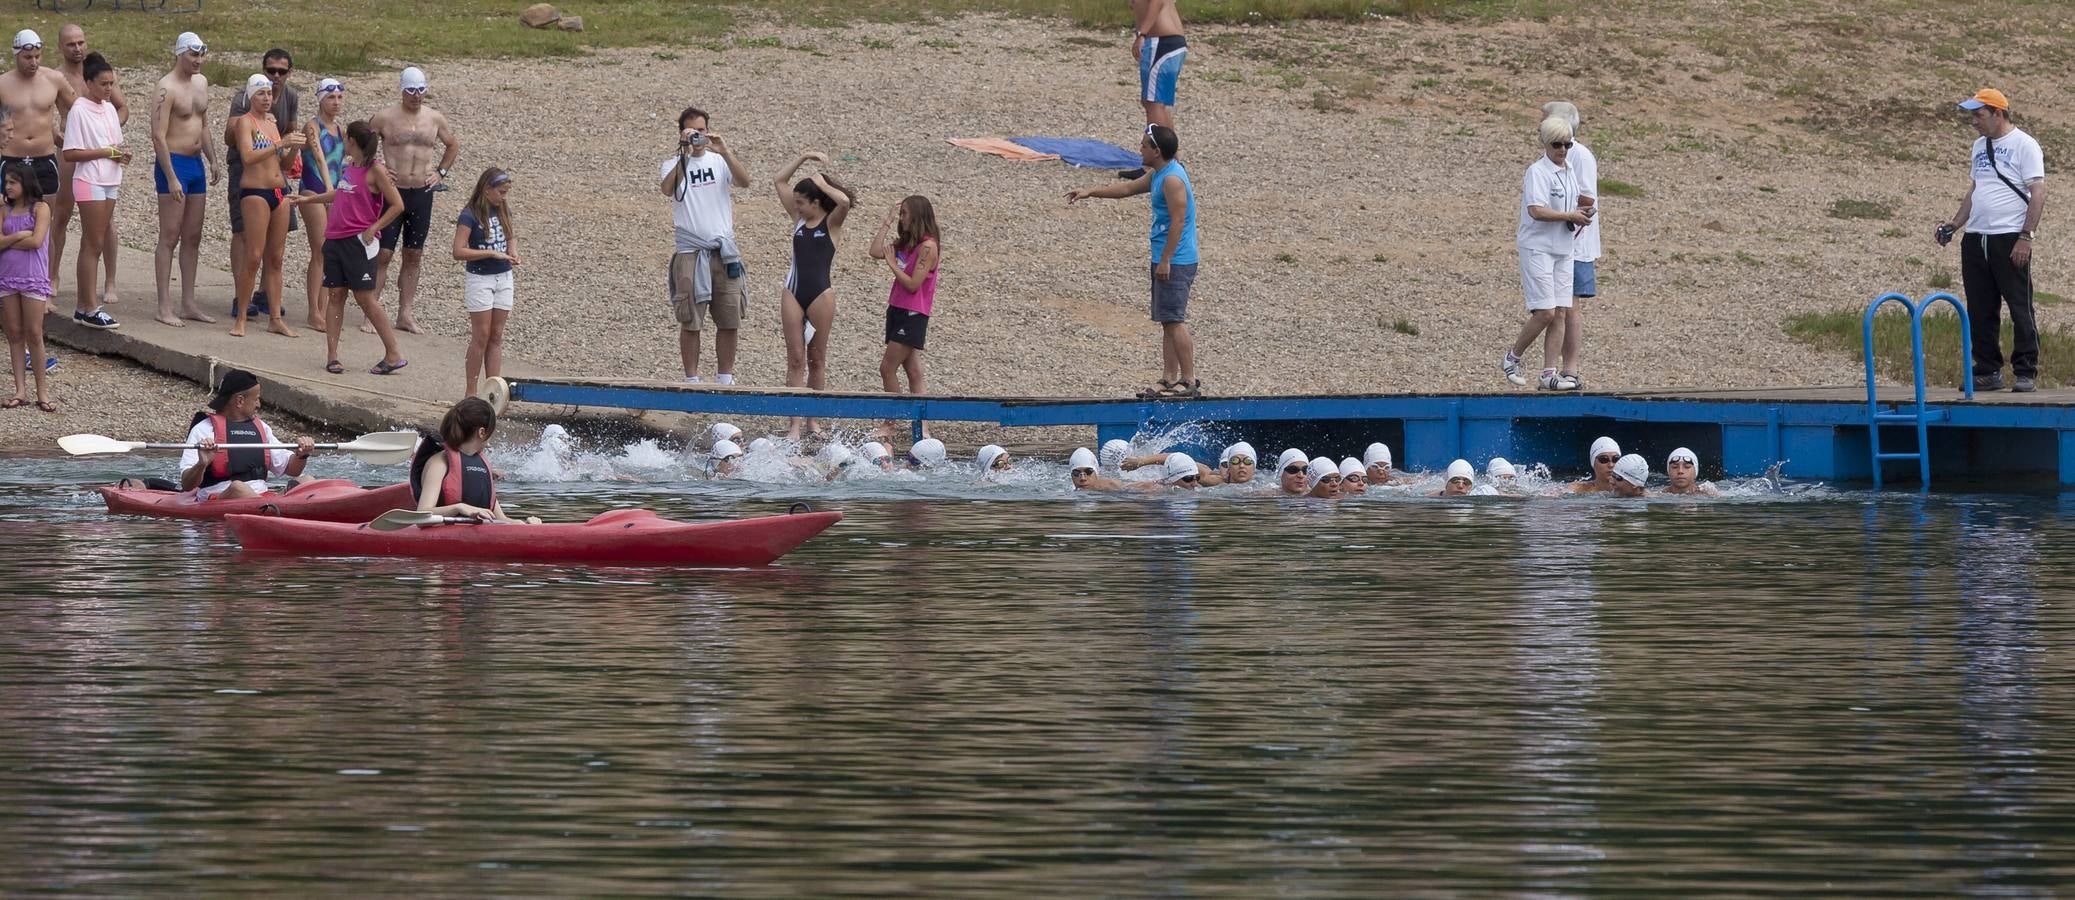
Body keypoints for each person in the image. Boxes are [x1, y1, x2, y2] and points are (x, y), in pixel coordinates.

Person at [1067, 124, 1200, 399]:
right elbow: (1127, 189)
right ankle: (1168, 378)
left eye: (1143, 146)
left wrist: (1166, 260)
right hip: (1165, 257)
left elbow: (1179, 221)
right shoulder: (1158, 174)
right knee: (1167, 320)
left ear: (1157, 151)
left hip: (1176, 259)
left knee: (1175, 320)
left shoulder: (1172, 179)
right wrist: (1090, 192)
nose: (1139, 149)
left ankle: (1189, 382)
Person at [1942, 89, 2046, 393]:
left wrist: (2025, 237)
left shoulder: (2024, 145)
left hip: (2009, 237)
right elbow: (1976, 190)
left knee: (2019, 305)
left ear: (1998, 113)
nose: (1974, 121)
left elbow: (2037, 193)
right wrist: (1955, 224)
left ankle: (2026, 370)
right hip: (1976, 237)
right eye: (1972, 115)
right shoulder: (1979, 146)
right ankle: (1987, 370)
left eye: (1979, 115)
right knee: (1980, 306)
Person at [291, 119, 409, 375]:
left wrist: (372, 227)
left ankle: (393, 352)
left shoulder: (375, 170)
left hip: (358, 242)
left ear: (352, 141)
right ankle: (333, 356)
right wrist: (308, 199)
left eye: (345, 139)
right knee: (336, 295)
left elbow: (398, 205)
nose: (342, 142)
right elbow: (341, 194)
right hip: (335, 238)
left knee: (366, 298)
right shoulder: (350, 166)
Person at [661, 106, 752, 385]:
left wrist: (723, 149)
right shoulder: (673, 164)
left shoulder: (719, 161)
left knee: (729, 317)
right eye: (692, 131)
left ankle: (725, 378)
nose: (698, 136)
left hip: (724, 251)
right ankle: (692, 380)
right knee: (690, 318)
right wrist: (685, 154)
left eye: (701, 130)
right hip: (690, 252)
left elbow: (745, 181)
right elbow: (667, 189)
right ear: (681, 133)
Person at [1502, 116, 1591, 392]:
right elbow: (1536, 210)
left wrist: (1582, 214)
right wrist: (1569, 215)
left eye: (1567, 144)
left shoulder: (1569, 171)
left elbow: (1573, 203)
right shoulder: (1537, 171)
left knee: (1562, 311)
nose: (1562, 150)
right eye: (1557, 145)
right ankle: (1512, 357)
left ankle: (1549, 373)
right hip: (1538, 248)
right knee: (1545, 312)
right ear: (1545, 144)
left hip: (1563, 248)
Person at [370, 66, 458, 334]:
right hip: (393, 191)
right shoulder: (384, 118)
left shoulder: (434, 119)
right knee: (383, 253)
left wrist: (440, 172)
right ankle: (371, 309)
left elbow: (452, 145)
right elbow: (364, 148)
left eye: (420, 91)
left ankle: (405, 314)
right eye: (411, 90)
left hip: (421, 191)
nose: (416, 96)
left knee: (413, 254)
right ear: (402, 89)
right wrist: (380, 168)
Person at [0, 32, 81, 321]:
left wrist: (69, 132)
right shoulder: (3, 84)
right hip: (12, 160)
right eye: (27, 57)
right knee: (7, 224)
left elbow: (79, 108)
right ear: (16, 54)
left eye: (37, 56)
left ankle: (42, 287)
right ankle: (7, 286)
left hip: (45, 160)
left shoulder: (54, 80)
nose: (33, 62)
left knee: (45, 224)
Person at [773, 150, 852, 441]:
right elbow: (779, 179)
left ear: (816, 202)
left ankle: (813, 422)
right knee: (795, 359)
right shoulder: (797, 219)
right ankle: (794, 424)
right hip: (793, 292)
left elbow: (843, 201)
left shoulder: (831, 223)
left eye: (802, 203)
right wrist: (804, 157)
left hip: (821, 294)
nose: (797, 207)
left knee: (817, 358)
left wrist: (821, 180)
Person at [148, 32, 218, 328]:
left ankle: (188, 302)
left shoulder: (201, 83)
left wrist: (212, 158)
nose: (198, 61)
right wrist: (171, 176)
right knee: (170, 235)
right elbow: (157, 136)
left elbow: (202, 125)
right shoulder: (166, 88)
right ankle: (164, 305)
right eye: (193, 56)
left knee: (193, 235)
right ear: (180, 55)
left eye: (201, 55)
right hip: (173, 162)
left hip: (195, 164)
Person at [227, 73, 305, 338]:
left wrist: (293, 148)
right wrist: (281, 144)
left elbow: (283, 165)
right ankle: (241, 317)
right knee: (254, 255)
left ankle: (274, 318)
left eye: (270, 94)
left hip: (278, 191)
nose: (267, 98)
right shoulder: (244, 123)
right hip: (255, 192)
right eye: (261, 93)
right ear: (250, 96)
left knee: (276, 258)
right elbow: (247, 157)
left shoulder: (272, 124)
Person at [52, 25, 125, 305]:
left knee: (107, 223)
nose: (77, 48)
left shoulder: (99, 74)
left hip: (102, 152)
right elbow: (44, 110)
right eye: (71, 44)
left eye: (81, 42)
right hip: (70, 149)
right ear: (61, 46)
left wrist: (103, 131)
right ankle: (53, 274)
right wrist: (55, 134)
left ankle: (110, 280)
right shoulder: (56, 77)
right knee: (61, 213)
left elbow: (122, 107)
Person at [177, 369, 316, 500]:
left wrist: (302, 455)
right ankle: (276, 508)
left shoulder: (262, 428)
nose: (259, 404)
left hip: (261, 497)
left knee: (307, 481)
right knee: (238, 487)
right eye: (256, 399)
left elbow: (292, 470)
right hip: (218, 497)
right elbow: (187, 485)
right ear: (240, 401)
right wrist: (202, 464)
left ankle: (276, 506)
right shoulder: (203, 430)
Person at [867, 194, 940, 440]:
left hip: (913, 313)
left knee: (887, 368)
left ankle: (891, 423)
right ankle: (923, 429)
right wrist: (887, 221)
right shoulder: (908, 244)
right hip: (897, 309)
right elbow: (875, 251)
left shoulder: (928, 247)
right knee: (914, 371)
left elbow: (913, 284)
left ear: (917, 215)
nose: (902, 218)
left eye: (904, 214)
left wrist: (892, 265)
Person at [409, 397, 537, 523]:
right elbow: (421, 515)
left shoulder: (482, 466)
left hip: (473, 538)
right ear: (482, 432)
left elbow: (501, 520)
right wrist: (459, 507)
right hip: (442, 537)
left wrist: (525, 524)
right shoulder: (440, 463)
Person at [1544, 101, 1598, 389]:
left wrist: (1566, 225)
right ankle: (1558, 371)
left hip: (1574, 244)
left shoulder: (1579, 156)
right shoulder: (1556, 156)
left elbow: (1587, 200)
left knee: (1570, 306)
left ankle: (1570, 370)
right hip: (1559, 243)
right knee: (1559, 307)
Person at [452, 167, 517, 398]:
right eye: (501, 192)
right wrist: (489, 254)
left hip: (504, 276)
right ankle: (470, 392)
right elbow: (458, 251)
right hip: (480, 278)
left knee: (497, 334)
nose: (503, 197)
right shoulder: (469, 215)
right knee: (481, 335)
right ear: (487, 189)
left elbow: (510, 236)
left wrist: (512, 252)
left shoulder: (502, 209)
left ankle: (493, 392)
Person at [0, 165, 54, 411]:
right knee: (13, 333)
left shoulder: (41, 208)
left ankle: (42, 392)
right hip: (7, 277)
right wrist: (18, 235)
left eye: (13, 182)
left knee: (34, 333)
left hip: (33, 277)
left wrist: (8, 242)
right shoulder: (4, 210)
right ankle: (20, 390)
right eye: (6, 182)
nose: (8, 186)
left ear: (26, 183)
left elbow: (37, 241)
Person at [296, 78, 347, 329]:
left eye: (339, 97)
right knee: (320, 248)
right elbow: (319, 157)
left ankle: (324, 307)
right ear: (320, 99)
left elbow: (344, 161)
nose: (336, 102)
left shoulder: (340, 130)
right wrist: (329, 189)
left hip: (332, 192)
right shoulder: (312, 126)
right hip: (313, 188)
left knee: (329, 252)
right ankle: (313, 311)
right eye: (331, 97)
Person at [1123, 0, 1185, 179]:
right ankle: (1173, 159)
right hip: (1169, 42)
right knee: (1157, 103)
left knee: (1153, 103)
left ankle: (1155, 166)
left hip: (1161, 42)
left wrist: (1142, 34)